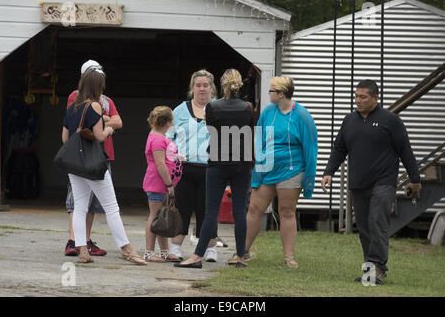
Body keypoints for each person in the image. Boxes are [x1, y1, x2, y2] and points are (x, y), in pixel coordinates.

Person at [321, 79, 421, 284]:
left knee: (377, 222)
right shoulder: (349, 121)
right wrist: (328, 171)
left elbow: (405, 150)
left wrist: (415, 179)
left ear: (376, 98)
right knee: (365, 228)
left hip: (383, 182)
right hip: (359, 183)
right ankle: (371, 269)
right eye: (356, 96)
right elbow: (340, 148)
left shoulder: (390, 120)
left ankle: (377, 268)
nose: (358, 100)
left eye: (363, 97)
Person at [62, 69, 146, 265]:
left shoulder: (71, 107)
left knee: (79, 207)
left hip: (75, 165)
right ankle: (126, 248)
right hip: (93, 163)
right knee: (111, 206)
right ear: (97, 87)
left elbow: (65, 138)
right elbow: (99, 136)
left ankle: (82, 251)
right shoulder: (96, 106)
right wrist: (108, 130)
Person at [175, 68, 253, 269]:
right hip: (241, 162)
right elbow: (247, 131)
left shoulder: (213, 107)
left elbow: (210, 131)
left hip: (218, 162)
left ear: (222, 86)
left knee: (210, 212)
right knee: (239, 212)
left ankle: (197, 256)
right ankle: (240, 257)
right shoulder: (247, 107)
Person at [243, 76, 318, 268]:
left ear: (281, 94)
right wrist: (258, 168)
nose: (269, 94)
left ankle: (289, 257)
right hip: (267, 169)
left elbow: (310, 147)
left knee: (286, 211)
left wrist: (309, 177)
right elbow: (258, 140)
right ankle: (242, 252)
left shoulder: (302, 116)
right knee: (254, 209)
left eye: (271, 91)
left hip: (291, 171)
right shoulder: (268, 112)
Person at [64, 60, 123, 257]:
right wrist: (105, 125)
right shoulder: (78, 98)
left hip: (92, 157)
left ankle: (84, 245)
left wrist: (102, 120)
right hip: (89, 157)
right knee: (105, 206)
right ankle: (75, 241)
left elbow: (119, 121)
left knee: (87, 204)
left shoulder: (106, 100)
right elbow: (100, 130)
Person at [166, 69, 219, 262]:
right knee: (182, 209)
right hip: (184, 170)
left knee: (208, 210)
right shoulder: (180, 110)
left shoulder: (218, 108)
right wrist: (174, 157)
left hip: (210, 170)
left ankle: (210, 249)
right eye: (198, 85)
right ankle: (176, 248)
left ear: (211, 87)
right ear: (192, 88)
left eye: (205, 85)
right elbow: (167, 138)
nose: (202, 89)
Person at [143, 106, 183, 262]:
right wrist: (169, 185)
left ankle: (164, 251)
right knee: (155, 217)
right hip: (158, 183)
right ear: (167, 122)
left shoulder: (160, 136)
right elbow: (160, 164)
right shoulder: (158, 139)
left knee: (162, 217)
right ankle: (149, 252)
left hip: (162, 183)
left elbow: (166, 158)